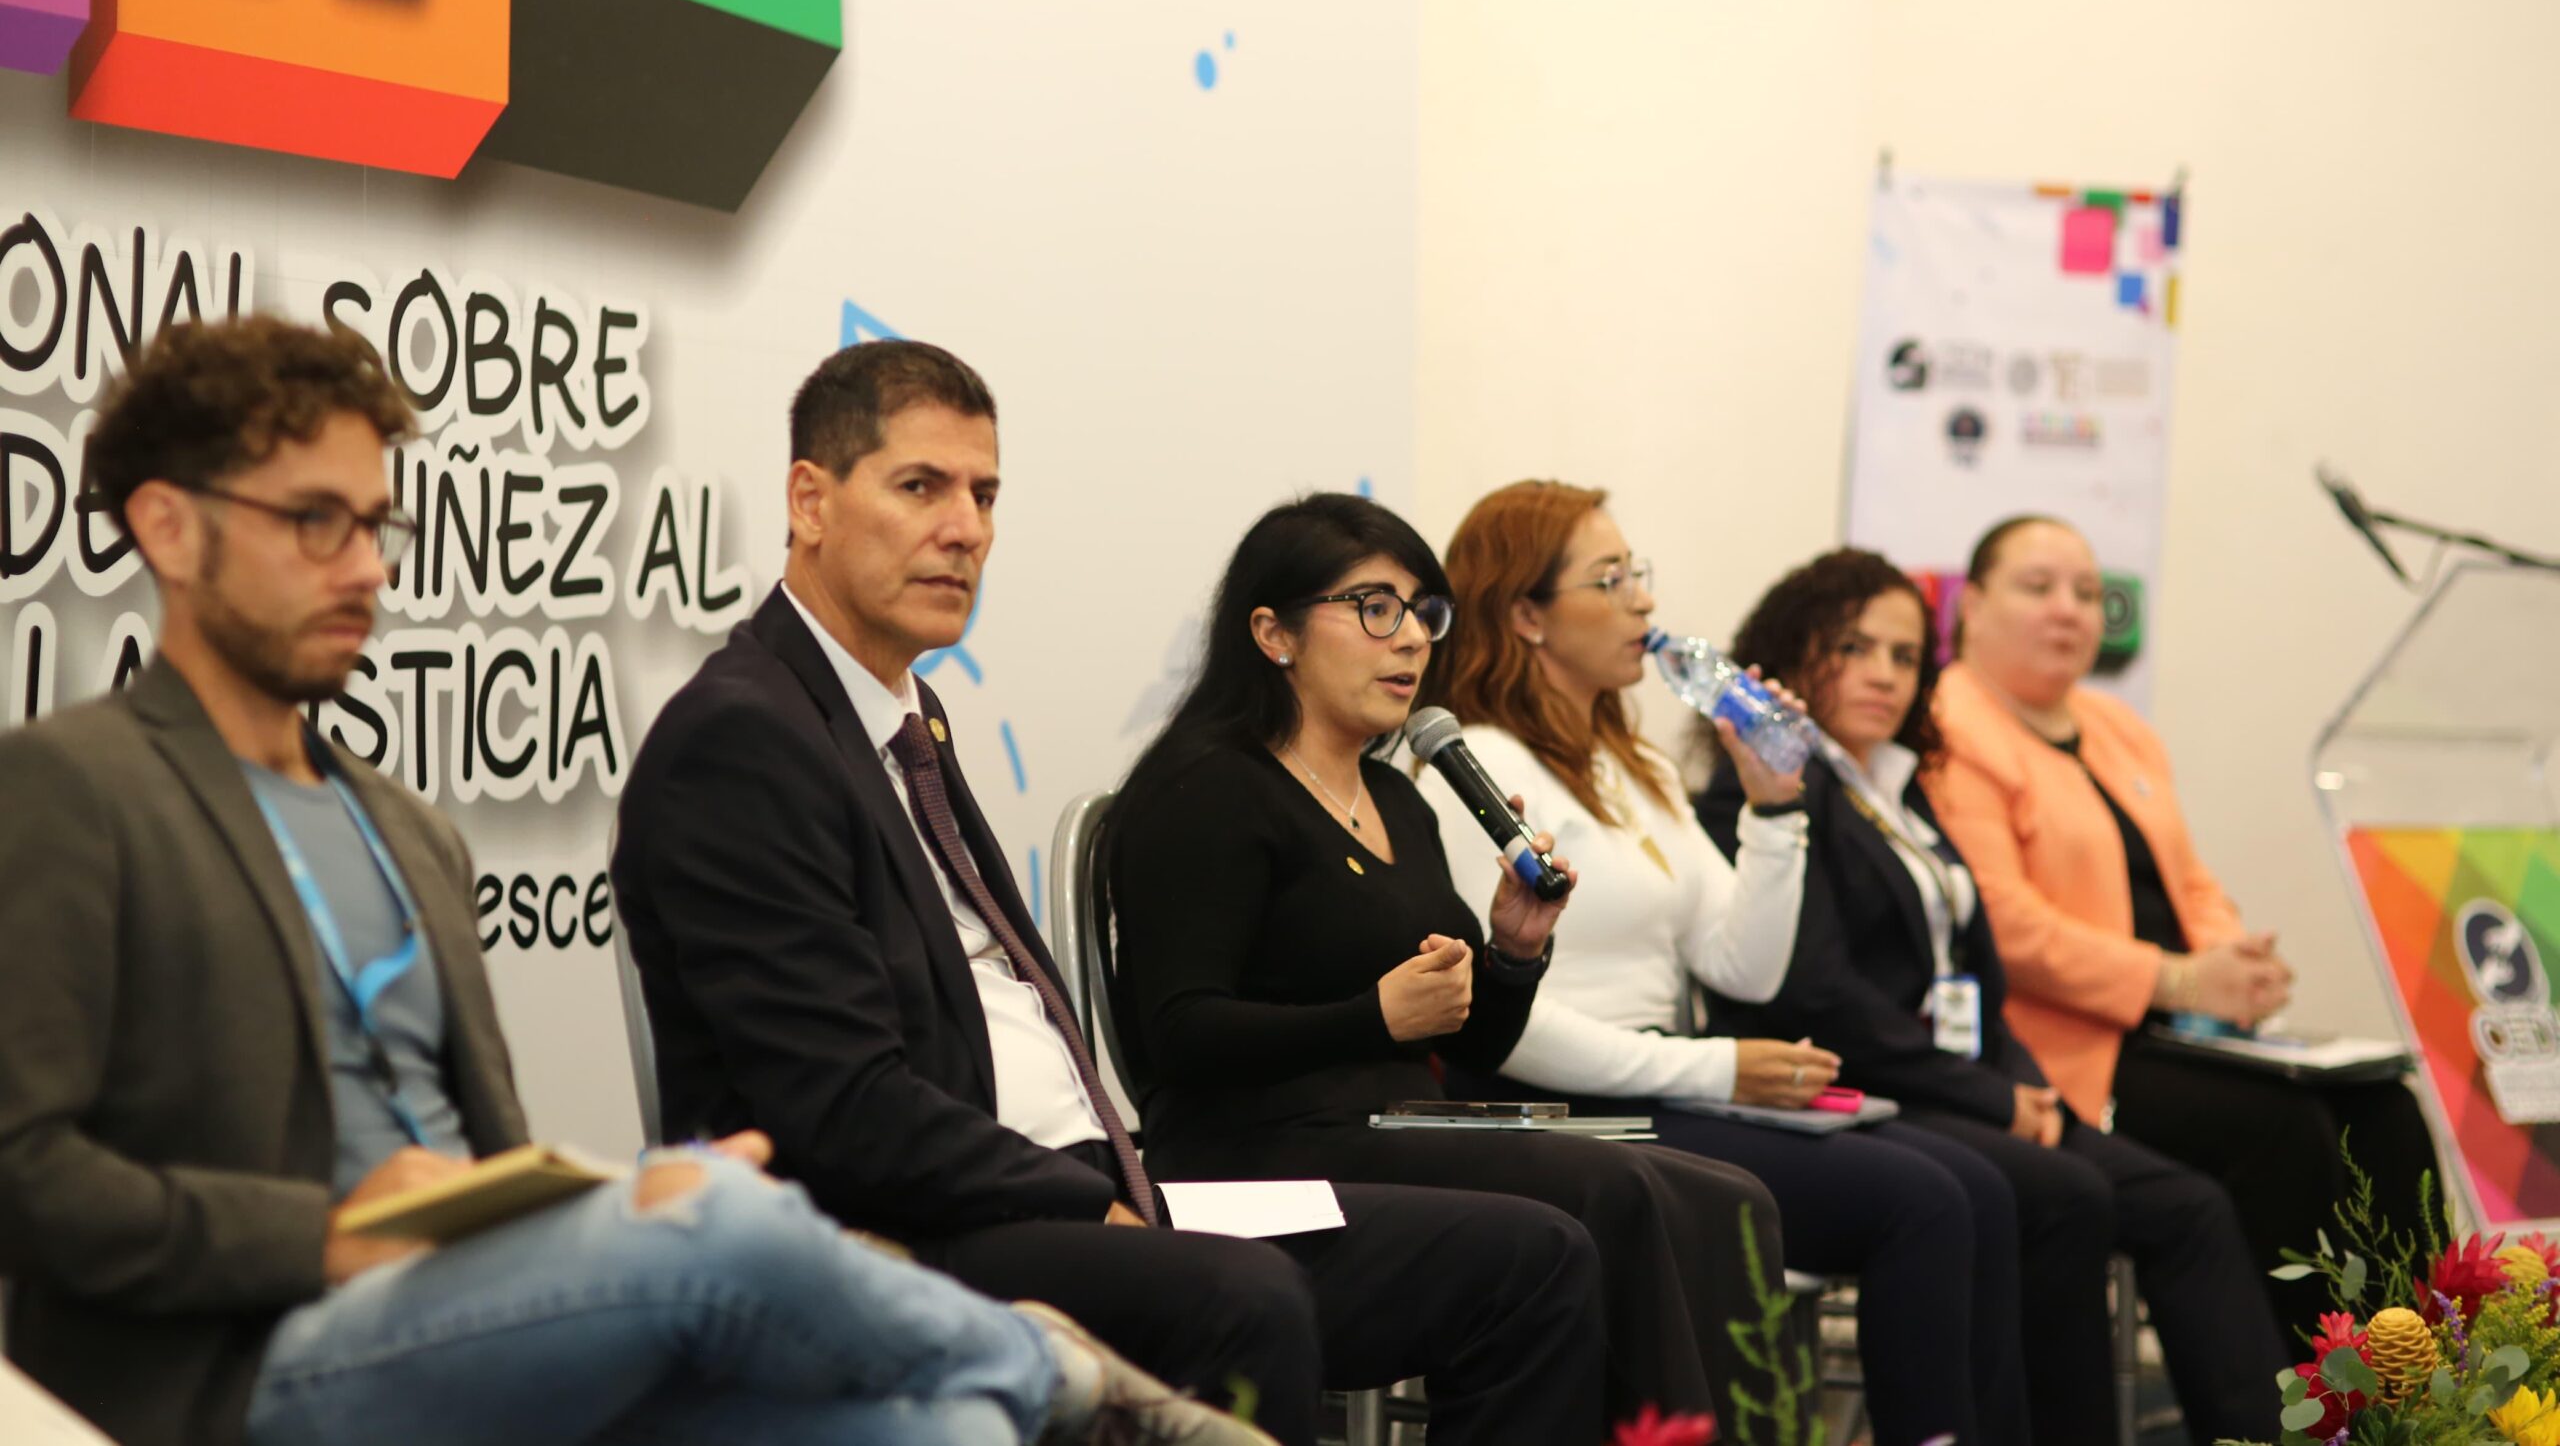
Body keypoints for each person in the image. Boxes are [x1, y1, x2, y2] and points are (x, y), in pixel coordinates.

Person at [0, 317, 1257, 1446]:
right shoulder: (74, 787)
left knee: (940, 1423)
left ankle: (1015, 1377)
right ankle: (1052, 1366)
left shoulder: (406, 828)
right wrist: (328, 1234)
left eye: (377, 525)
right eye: (314, 520)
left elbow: (485, 1155)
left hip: (495, 1309)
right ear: (169, 526)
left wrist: (600, 1202)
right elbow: (26, 1172)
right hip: (246, 1354)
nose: (366, 568)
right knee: (729, 1219)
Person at [611, 341, 1607, 1446]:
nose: (965, 528)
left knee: (1535, 1259)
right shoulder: (745, 737)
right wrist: (1096, 1202)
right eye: (921, 486)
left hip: (1092, 1180)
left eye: (985, 494)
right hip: (914, 1226)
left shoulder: (906, 717)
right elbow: (844, 1108)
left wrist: (1115, 1186)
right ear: (810, 500)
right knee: (1246, 1299)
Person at [1106, 491, 1786, 1433]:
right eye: (1373, 607)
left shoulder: (1397, 798)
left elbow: (1478, 1040)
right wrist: (1371, 1018)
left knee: (1730, 1198)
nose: (1411, 639)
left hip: (1396, 1132)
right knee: (1615, 1193)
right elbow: (1176, 1035)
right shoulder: (1209, 788)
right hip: (1256, 1161)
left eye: (1424, 613)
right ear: (1274, 633)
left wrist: (1514, 951)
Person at [1417, 481, 2030, 1446]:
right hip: (1558, 1107)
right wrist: (1718, 1069)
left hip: (1665, 1085)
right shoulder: (1476, 771)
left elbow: (1744, 967)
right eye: (1610, 581)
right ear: (1527, 615)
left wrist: (1775, 807)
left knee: (1976, 1183)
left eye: (1639, 575)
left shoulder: (1635, 766)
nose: (1645, 602)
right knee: (1920, 1201)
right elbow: (1506, 1026)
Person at [1699, 545, 2288, 1444]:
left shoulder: (1895, 787)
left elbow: (1977, 973)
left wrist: (2024, 1082)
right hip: (1862, 1086)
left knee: (2189, 1205)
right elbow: (1820, 998)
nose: (1885, 675)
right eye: (1855, 648)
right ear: (1792, 653)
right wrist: (1991, 1096)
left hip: (1966, 1082)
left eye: (1905, 656)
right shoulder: (1764, 794)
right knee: (2063, 1195)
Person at [1928, 515, 2441, 1318]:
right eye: (2038, 587)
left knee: (2386, 1112)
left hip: (2179, 1035)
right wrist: (2179, 980)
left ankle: (2423, 1372)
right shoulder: (1949, 731)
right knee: (2282, 1130)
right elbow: (2004, 924)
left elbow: (2191, 882)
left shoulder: (2117, 727)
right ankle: (2311, 1382)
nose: (2068, 609)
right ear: (1973, 606)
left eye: (2087, 593)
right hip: (2062, 1052)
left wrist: (2232, 963)